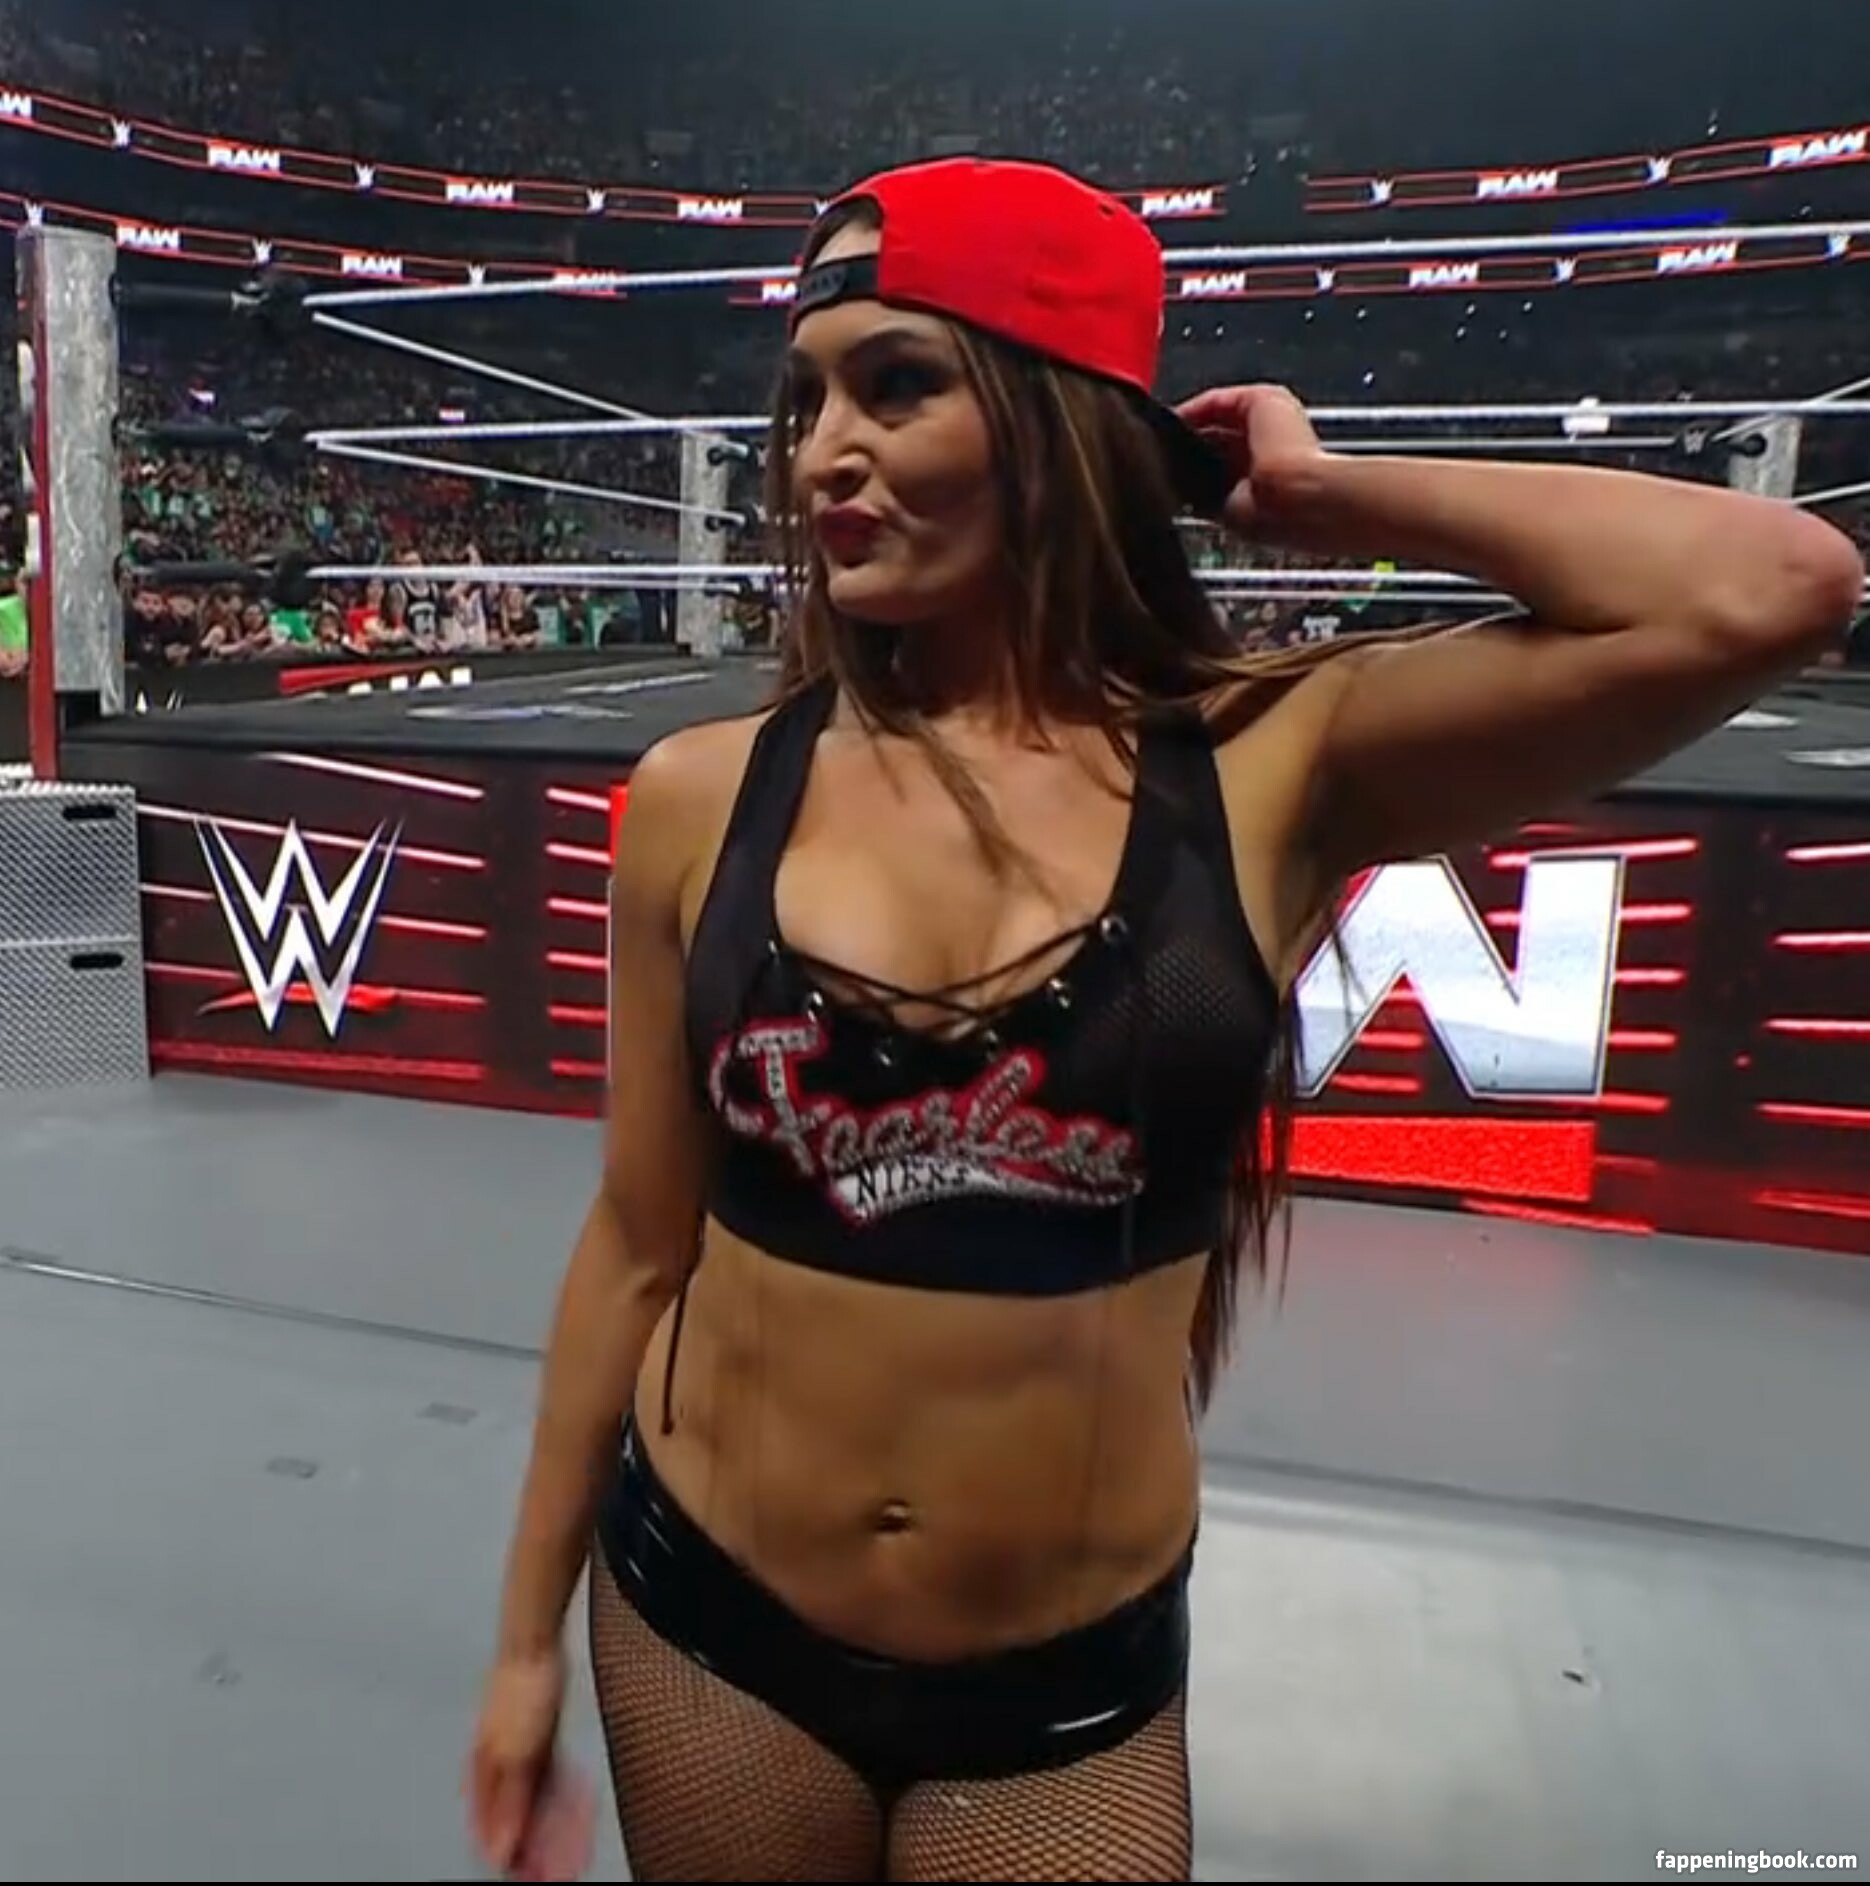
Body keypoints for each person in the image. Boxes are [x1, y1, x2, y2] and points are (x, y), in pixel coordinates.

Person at [467, 157, 1860, 1884]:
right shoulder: (702, 795)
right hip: (708, 1630)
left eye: (897, 384)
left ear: (1058, 425)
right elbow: (633, 1245)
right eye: (805, 401)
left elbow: (1774, 586)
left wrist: (1326, 494)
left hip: (1061, 1692)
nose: (825, 449)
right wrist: (521, 1643)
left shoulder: (1271, 763)